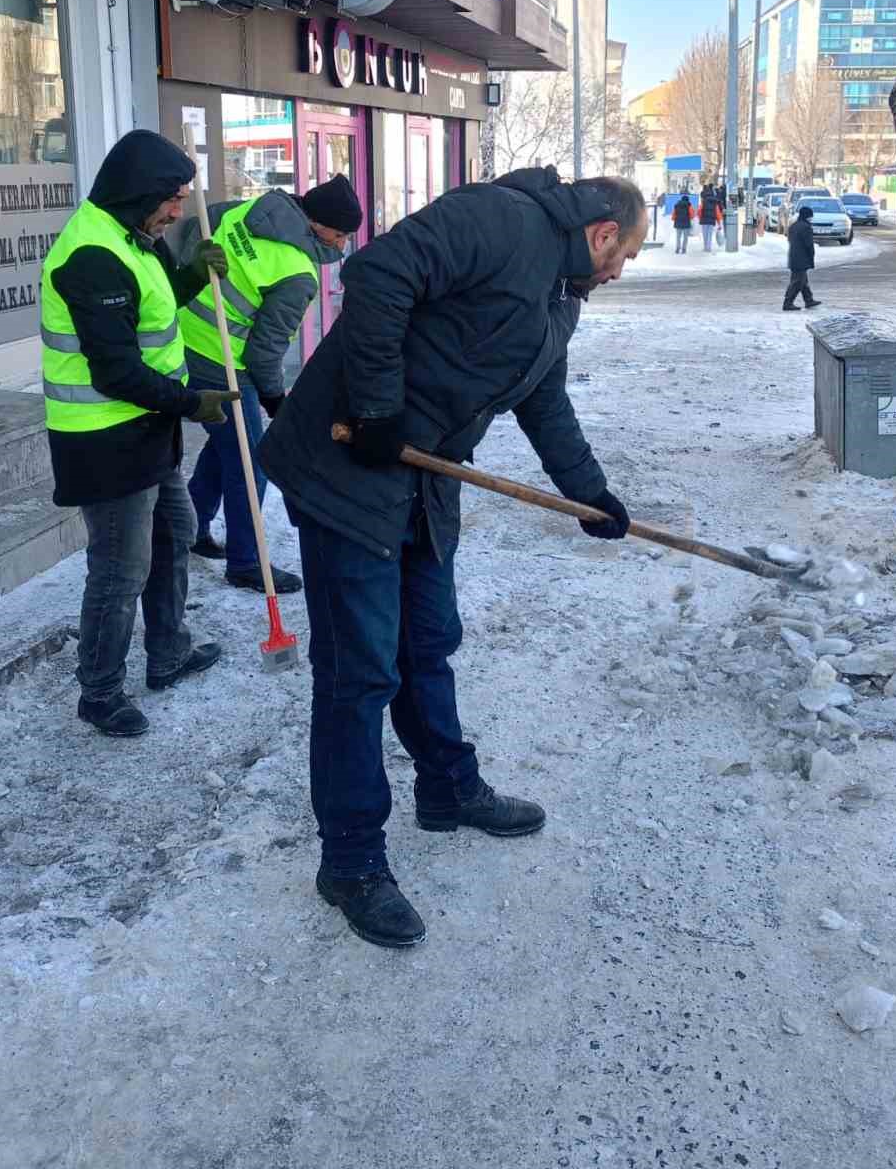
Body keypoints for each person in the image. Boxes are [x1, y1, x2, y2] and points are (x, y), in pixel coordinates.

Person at [257, 169, 647, 949]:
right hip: (347, 466)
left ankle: (447, 788)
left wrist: (590, 492)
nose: (621, 270)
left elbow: (544, 399)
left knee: (429, 643)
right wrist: (373, 404)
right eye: (626, 254)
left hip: (422, 477)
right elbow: (378, 272)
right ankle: (352, 861)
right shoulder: (500, 220)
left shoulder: (561, 299)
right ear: (602, 233)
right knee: (358, 674)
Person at [41, 130, 238, 739]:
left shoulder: (133, 240)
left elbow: (151, 310)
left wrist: (194, 276)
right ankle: (99, 693)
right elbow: (117, 370)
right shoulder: (91, 255)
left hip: (144, 434)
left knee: (175, 531)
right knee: (120, 568)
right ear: (139, 193)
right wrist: (192, 403)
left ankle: (168, 652)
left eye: (182, 198)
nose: (178, 210)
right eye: (171, 198)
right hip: (105, 442)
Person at [178, 176, 364, 594]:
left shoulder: (247, 210)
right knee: (250, 460)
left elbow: (196, 231)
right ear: (315, 223)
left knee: (228, 440)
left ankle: (192, 524)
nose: (341, 245)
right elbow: (265, 351)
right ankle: (246, 562)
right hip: (219, 360)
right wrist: (275, 399)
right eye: (338, 234)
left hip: (181, 337)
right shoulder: (298, 273)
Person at [783, 204, 822, 312]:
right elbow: (808, 245)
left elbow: (790, 240)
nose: (811, 218)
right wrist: (811, 256)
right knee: (797, 282)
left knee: (803, 281)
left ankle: (809, 300)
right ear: (807, 216)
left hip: (794, 256)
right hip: (802, 258)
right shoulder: (806, 227)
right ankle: (788, 303)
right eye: (810, 216)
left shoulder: (794, 226)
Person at [698, 182, 722, 251]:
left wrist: (700, 217)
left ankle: (705, 247)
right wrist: (719, 222)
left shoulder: (703, 202)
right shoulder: (714, 202)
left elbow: (699, 211)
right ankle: (709, 247)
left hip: (704, 220)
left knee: (705, 234)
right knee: (710, 234)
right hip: (711, 221)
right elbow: (717, 213)